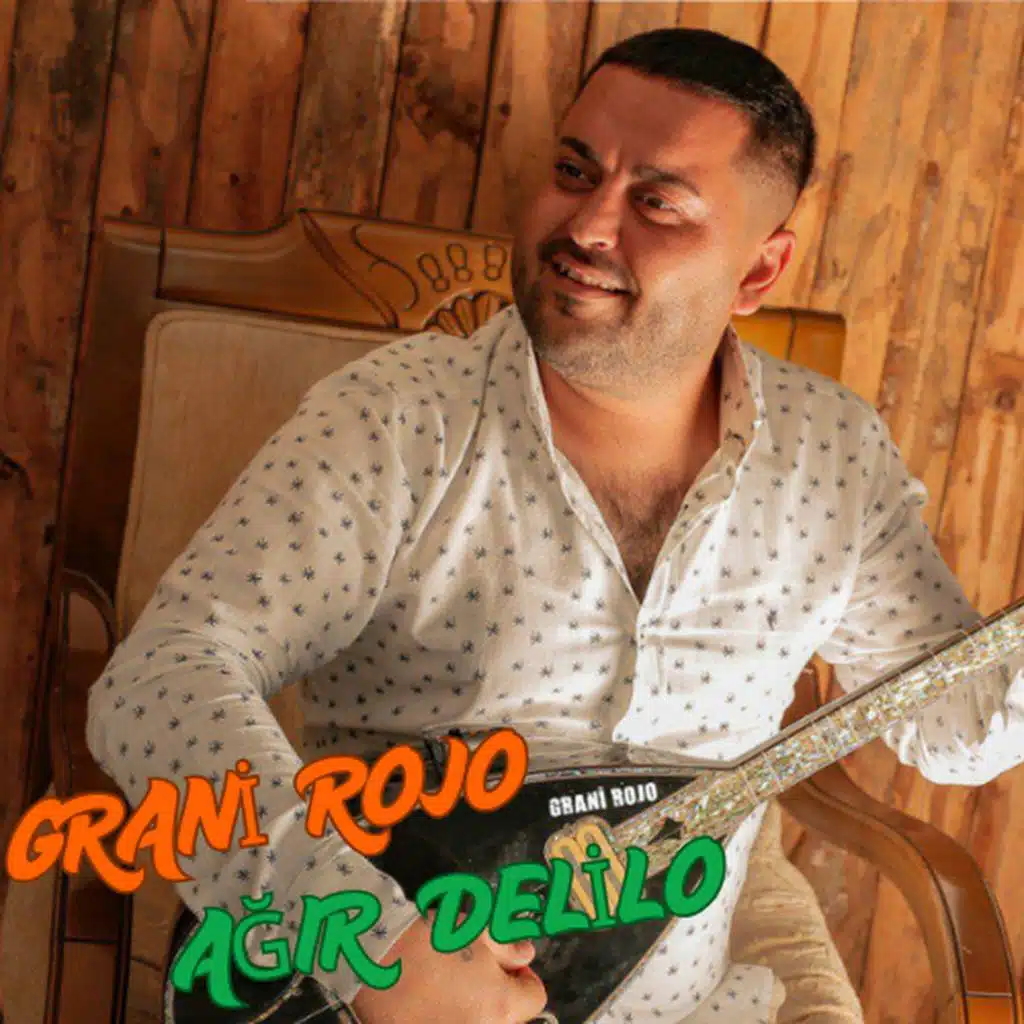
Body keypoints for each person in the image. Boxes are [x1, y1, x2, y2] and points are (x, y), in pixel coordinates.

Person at [86, 27, 1024, 1024]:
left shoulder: (832, 456)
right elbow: (158, 681)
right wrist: (375, 947)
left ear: (758, 272)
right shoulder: (400, 419)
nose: (587, 225)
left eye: (656, 202)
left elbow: (955, 724)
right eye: (574, 171)